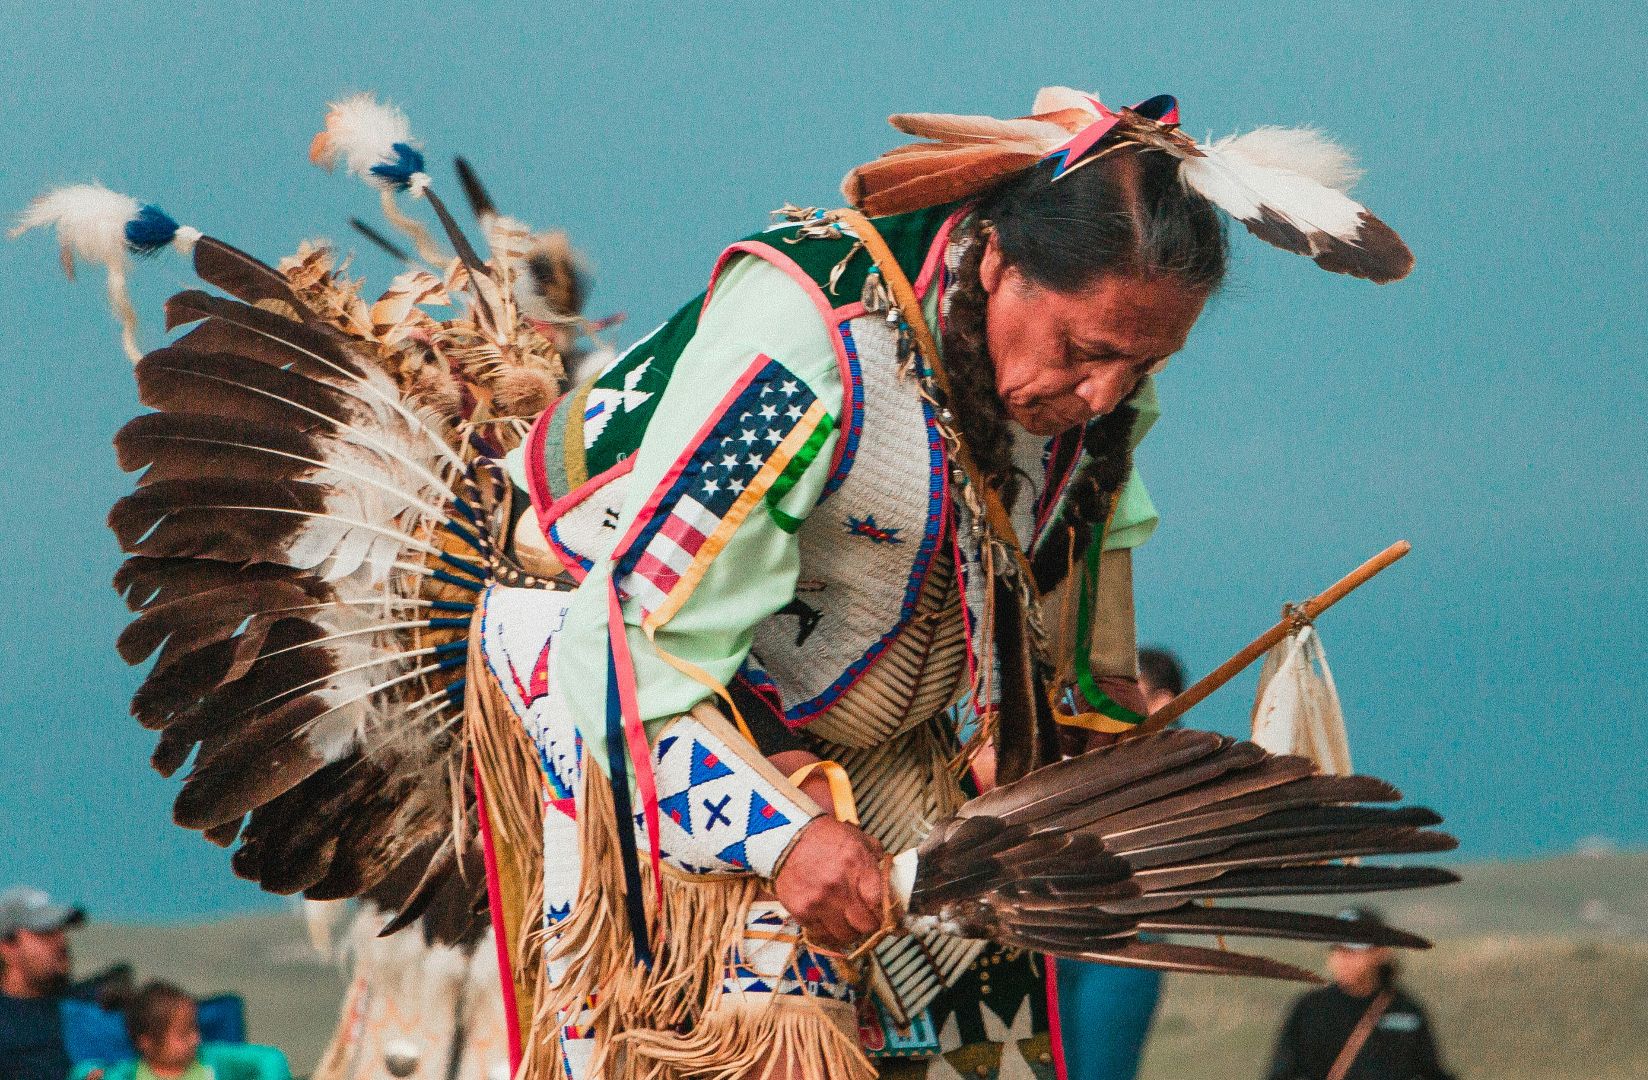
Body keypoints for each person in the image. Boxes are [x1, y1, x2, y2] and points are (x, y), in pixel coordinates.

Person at [24, 85, 1442, 1080]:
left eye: (1145, 363)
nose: (1102, 386)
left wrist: (1074, 743)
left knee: (975, 1015)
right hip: (612, 695)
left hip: (865, 741)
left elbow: (1061, 620)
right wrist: (772, 839)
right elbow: (623, 647)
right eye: (1082, 347)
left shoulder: (1082, 405)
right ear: (994, 256)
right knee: (768, 1042)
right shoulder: (803, 355)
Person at [1055, 648, 1186, 1080]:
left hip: (1125, 936)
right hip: (1055, 927)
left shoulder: (1181, 766)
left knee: (1101, 1072)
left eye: (1132, 694)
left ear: (1163, 703)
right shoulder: (1088, 746)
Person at [1267, 909, 1455, 1080]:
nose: (1342, 959)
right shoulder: (1309, 1009)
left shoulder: (1407, 1011)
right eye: (1338, 950)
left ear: (1381, 953)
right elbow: (1281, 1073)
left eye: (1353, 952)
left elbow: (1430, 1071)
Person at [0, 888, 85, 1080]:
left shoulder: (88, 1007)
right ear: (7, 946)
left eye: (60, 930)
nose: (61, 940)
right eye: (45, 932)